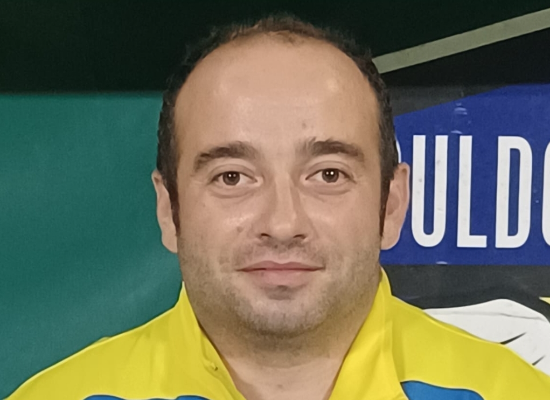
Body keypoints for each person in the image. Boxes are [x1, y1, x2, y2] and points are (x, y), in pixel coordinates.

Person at [7, 14, 550, 400]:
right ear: (169, 210)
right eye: (232, 177)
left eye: (328, 174)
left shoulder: (513, 392)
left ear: (392, 204)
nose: (283, 223)